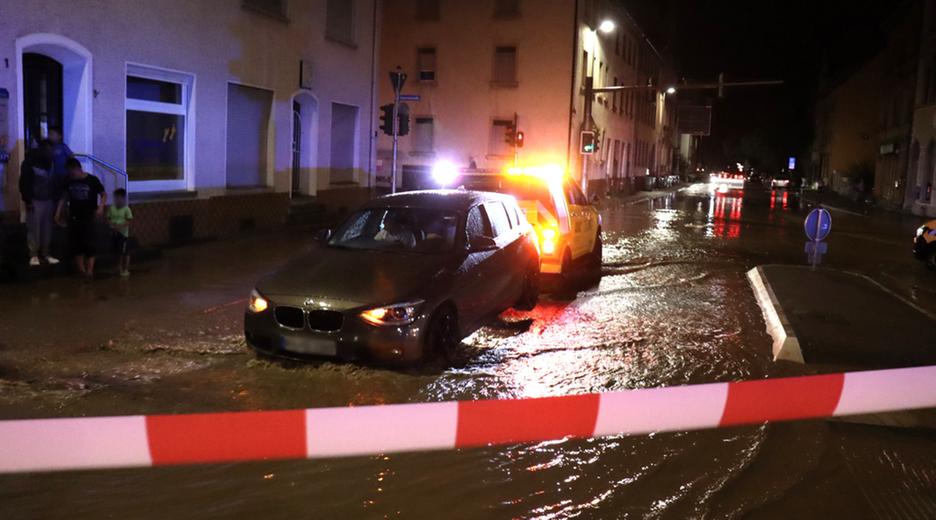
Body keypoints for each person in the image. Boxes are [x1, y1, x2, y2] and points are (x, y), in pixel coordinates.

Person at [55, 158, 106, 279]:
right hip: (74, 216)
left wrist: (101, 207)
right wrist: (58, 212)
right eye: (69, 173)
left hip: (88, 216)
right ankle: (82, 271)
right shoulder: (68, 181)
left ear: (78, 169)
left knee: (89, 244)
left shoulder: (92, 180)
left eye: (72, 172)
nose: (71, 175)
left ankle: (90, 270)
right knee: (76, 244)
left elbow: (103, 194)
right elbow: (64, 197)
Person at [19, 140, 60, 266]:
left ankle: (45, 253)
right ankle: (33, 255)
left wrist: (55, 198)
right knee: (34, 228)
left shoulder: (51, 163)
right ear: (43, 149)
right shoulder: (29, 163)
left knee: (47, 229)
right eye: (49, 150)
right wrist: (28, 200)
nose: (52, 152)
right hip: (35, 200)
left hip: (48, 199)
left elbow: (54, 181)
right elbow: (24, 183)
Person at [106, 188, 133, 277]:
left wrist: (120, 227)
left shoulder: (126, 209)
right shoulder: (111, 208)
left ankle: (125, 269)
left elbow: (129, 221)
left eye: (119, 198)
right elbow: (108, 218)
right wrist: (112, 225)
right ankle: (118, 268)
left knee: (124, 252)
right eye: (115, 197)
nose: (117, 199)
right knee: (117, 252)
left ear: (123, 198)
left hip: (123, 234)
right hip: (114, 234)